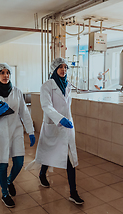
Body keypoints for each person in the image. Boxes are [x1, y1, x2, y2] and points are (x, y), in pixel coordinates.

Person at [0, 63, 36, 208]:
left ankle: (9, 180)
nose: (6, 76)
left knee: (19, 163)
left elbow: (24, 113)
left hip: (15, 131)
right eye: (2, 73)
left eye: (8, 73)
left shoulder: (17, 92)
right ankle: (5, 193)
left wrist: (30, 131)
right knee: (2, 164)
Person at [32, 57, 84, 205]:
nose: (63, 70)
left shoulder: (67, 84)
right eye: (60, 67)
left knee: (70, 159)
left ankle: (73, 192)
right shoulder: (47, 85)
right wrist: (59, 119)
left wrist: (66, 120)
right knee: (49, 153)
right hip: (53, 125)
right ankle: (42, 174)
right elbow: (46, 106)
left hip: (67, 127)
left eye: (66, 67)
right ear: (54, 69)